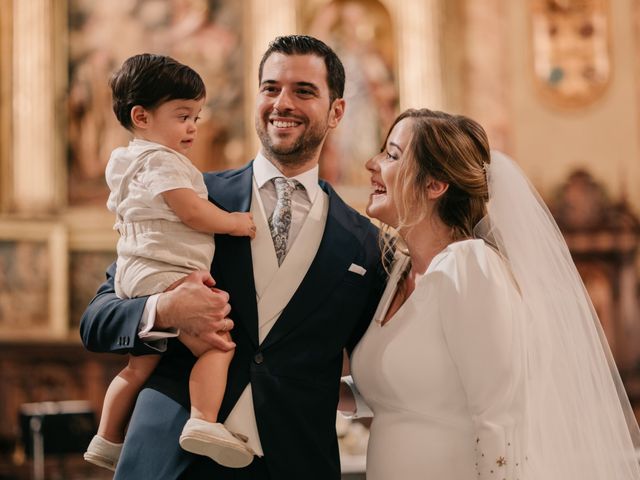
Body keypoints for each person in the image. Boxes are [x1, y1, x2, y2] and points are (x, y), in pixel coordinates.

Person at [80, 36, 386, 479]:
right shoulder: (186, 196)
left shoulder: (364, 243)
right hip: (169, 459)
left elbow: (374, 360)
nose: (282, 103)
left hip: (293, 461)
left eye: (303, 91)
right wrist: (164, 309)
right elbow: (98, 320)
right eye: (270, 88)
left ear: (337, 111)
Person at [340, 108, 640, 479]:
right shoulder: (399, 272)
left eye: (392, 155)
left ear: (435, 185)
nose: (372, 163)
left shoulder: (469, 267)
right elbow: (409, 393)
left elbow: (500, 418)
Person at [83, 54, 257, 471]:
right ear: (141, 116)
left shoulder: (126, 161)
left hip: (140, 267)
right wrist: (233, 222)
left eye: (196, 116)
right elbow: (193, 213)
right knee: (217, 344)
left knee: (137, 367)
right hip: (167, 274)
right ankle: (202, 420)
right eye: (183, 116)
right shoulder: (165, 163)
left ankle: (106, 437)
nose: (194, 127)